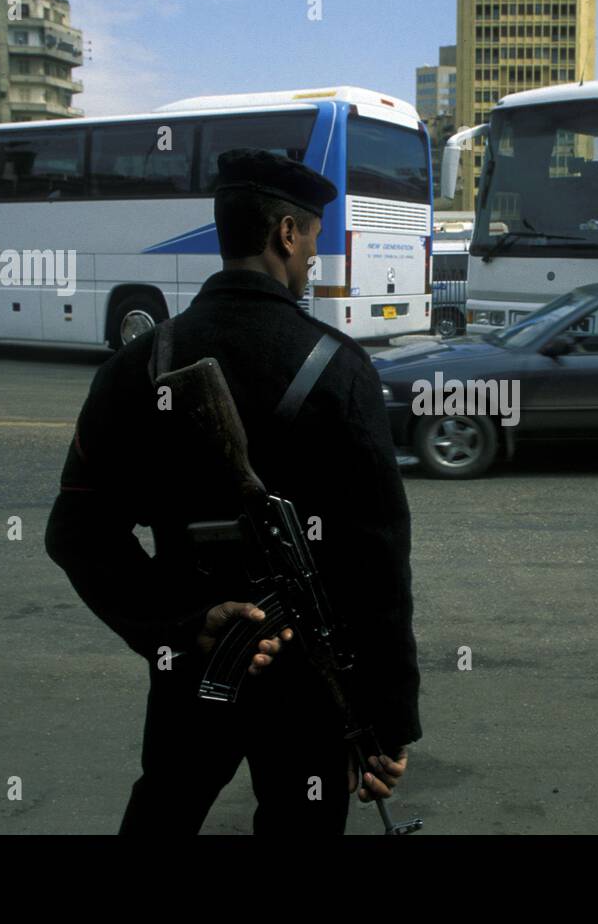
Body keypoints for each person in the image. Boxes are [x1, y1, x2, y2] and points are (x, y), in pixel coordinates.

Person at [45, 148, 421, 835]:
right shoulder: (341, 369)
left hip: (194, 670)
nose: (313, 255)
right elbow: (378, 567)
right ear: (285, 233)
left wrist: (182, 625)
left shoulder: (138, 364)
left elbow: (76, 531)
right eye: (312, 237)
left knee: (163, 812)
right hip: (308, 688)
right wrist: (387, 722)